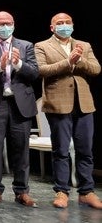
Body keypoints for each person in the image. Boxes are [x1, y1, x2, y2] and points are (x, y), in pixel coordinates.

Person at [34, 12, 102, 209]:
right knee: (61, 151)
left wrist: (79, 60)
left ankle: (86, 192)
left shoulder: (84, 45)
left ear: (72, 24)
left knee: (85, 150)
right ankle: (62, 192)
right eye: (59, 23)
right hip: (58, 104)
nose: (64, 25)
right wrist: (69, 62)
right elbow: (42, 70)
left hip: (84, 104)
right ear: (52, 27)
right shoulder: (42, 46)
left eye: (67, 22)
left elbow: (96, 69)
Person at [0, 11, 39, 207]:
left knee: (21, 148)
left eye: (8, 23)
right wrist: (0, 66)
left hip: (21, 104)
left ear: (14, 24)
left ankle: (22, 191)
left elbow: (35, 73)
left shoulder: (26, 45)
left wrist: (18, 63)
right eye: (0, 23)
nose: (5, 26)